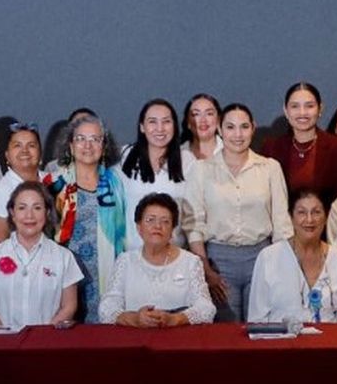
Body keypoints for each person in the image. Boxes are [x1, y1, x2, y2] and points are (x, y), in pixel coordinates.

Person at [183, 103, 290, 322]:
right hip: (218, 261)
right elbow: (193, 224)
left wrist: (280, 265)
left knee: (261, 328)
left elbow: (281, 222)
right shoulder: (202, 170)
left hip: (261, 257)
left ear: (253, 128)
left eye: (244, 127)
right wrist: (204, 267)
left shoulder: (270, 168)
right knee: (225, 333)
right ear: (220, 130)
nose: (238, 134)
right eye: (230, 127)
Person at [44, 112, 125, 321]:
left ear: (103, 146)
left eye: (95, 139)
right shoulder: (54, 184)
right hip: (64, 276)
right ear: (71, 146)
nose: (87, 145)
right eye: (81, 139)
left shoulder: (117, 183)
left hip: (108, 275)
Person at [0, 182, 84, 328]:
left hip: (46, 344)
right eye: (22, 208)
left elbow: (69, 307)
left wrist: (43, 337)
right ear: (12, 213)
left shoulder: (63, 257)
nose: (29, 215)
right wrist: (4, 337)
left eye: (37, 208)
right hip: (3, 344)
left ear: (47, 212)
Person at [100, 193, 214, 327]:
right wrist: (134, 319)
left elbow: (207, 309)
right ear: (139, 228)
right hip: (134, 337)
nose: (157, 226)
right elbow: (106, 309)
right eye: (150, 220)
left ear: (172, 230)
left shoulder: (190, 262)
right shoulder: (125, 261)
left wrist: (174, 319)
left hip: (178, 338)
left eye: (165, 221)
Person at [249, 190, 337, 324]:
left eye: (316, 212)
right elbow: (257, 318)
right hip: (279, 341)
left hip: (329, 341)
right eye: (302, 212)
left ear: (325, 217)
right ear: (291, 217)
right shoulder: (268, 257)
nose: (309, 219)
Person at [259, 82, 337, 203]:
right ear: (285, 110)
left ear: (320, 109)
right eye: (295, 106)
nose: (302, 113)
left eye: (309, 106)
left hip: (329, 220)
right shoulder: (271, 148)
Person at [120, 99, 194, 252]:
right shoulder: (125, 156)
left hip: (175, 254)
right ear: (142, 127)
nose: (160, 129)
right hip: (132, 254)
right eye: (152, 122)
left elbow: (193, 215)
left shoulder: (187, 160)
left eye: (166, 122)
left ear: (174, 126)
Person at [0, 124, 44, 245]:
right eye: (17, 145)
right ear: (7, 156)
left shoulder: (54, 182)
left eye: (31, 145)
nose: (25, 150)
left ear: (40, 153)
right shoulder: (0, 194)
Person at [182, 94, 221, 162]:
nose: (203, 120)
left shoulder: (232, 152)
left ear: (218, 120)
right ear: (188, 122)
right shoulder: (178, 156)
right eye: (196, 114)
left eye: (209, 114)